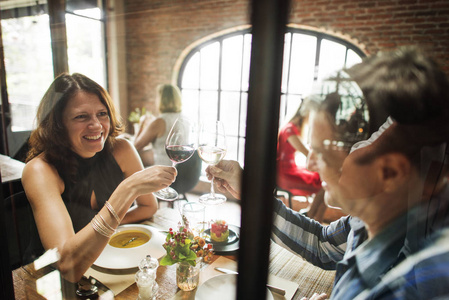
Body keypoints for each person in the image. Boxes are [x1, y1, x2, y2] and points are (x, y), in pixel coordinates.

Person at [206, 47, 449, 299]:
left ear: (389, 173)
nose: (311, 164)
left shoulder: (418, 284)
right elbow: (321, 245)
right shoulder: (373, 217)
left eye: (323, 152)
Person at [22, 73, 177, 283]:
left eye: (102, 114)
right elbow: (67, 266)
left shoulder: (122, 149)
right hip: (48, 280)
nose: (96, 125)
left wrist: (99, 233)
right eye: (81, 116)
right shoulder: (40, 170)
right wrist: (127, 190)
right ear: (58, 124)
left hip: (105, 261)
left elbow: (149, 207)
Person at [277, 99, 326, 221]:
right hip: (284, 174)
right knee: (324, 183)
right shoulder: (289, 130)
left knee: (325, 180)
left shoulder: (293, 128)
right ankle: (313, 217)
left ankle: (312, 216)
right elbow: (307, 154)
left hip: (290, 170)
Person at [133, 84, 183, 166]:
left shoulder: (160, 122)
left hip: (163, 171)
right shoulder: (183, 118)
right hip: (182, 171)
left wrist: (141, 124)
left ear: (161, 100)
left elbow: (135, 147)